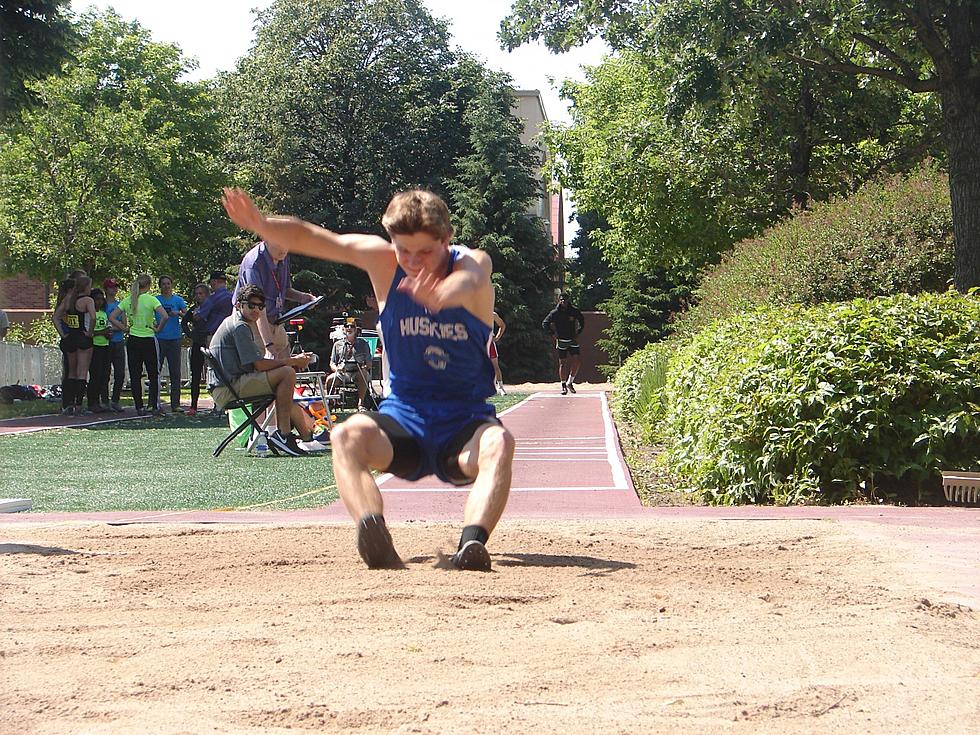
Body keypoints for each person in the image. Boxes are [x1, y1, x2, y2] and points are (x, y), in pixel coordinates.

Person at [222, 187, 515, 572]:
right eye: (403, 250)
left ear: (447, 239)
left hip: (464, 425)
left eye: (425, 252)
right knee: (346, 436)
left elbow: (475, 276)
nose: (412, 262)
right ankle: (373, 531)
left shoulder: (471, 263)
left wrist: (445, 293)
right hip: (404, 422)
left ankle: (472, 545)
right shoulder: (384, 263)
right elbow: (315, 237)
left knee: (500, 441)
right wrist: (261, 225)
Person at [208, 284, 322, 456]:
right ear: (239, 305)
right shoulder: (240, 327)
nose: (256, 310)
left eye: (260, 307)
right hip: (227, 390)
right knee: (287, 373)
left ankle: (301, 435)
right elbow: (259, 365)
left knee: (284, 379)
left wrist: (290, 361)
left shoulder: (237, 322)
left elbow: (257, 364)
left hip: (229, 385)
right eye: (251, 305)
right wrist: (294, 361)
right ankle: (284, 435)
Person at [234, 237, 315, 360]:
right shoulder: (254, 264)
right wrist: (269, 346)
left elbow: (285, 290)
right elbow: (256, 308)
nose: (284, 249)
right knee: (266, 369)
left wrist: (303, 297)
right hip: (253, 321)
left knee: (286, 369)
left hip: (275, 320)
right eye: (280, 244)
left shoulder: (283, 257)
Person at [108, 274, 169, 416]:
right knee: (153, 373)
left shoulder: (128, 300)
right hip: (148, 337)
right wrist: (158, 328)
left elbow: (111, 317)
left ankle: (139, 406)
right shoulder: (151, 299)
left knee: (135, 374)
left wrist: (124, 328)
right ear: (148, 285)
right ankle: (153, 405)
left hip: (133, 339)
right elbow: (165, 316)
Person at [52, 275, 96, 415]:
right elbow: (93, 317)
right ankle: (78, 405)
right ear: (86, 287)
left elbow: (55, 317)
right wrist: (90, 332)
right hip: (82, 338)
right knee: (82, 372)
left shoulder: (69, 299)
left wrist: (63, 334)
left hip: (70, 337)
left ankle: (68, 404)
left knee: (71, 372)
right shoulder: (87, 300)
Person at [542, 292, 586, 396]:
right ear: (559, 300)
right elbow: (545, 323)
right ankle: (563, 385)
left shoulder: (573, 311)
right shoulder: (555, 312)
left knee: (577, 361)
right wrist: (553, 334)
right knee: (562, 363)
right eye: (561, 300)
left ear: (568, 300)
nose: (563, 302)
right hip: (561, 340)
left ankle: (570, 382)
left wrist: (579, 332)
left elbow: (582, 320)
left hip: (572, 339)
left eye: (565, 300)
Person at [155, 275, 188, 413]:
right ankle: (155, 402)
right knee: (156, 371)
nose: (166, 286)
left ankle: (176, 403)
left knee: (175, 372)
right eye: (163, 284)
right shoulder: (156, 300)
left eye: (168, 283)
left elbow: (187, 315)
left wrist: (179, 313)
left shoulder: (178, 300)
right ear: (160, 286)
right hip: (160, 337)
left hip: (174, 338)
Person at [325, 319, 373, 410]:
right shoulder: (337, 344)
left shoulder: (363, 344)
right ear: (343, 329)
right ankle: (330, 403)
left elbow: (369, 362)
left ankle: (361, 404)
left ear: (356, 329)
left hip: (358, 372)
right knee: (329, 379)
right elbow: (332, 363)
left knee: (363, 375)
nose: (349, 328)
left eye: (352, 326)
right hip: (342, 373)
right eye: (347, 326)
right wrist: (337, 369)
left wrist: (365, 367)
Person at [182, 282, 211, 416]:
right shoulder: (193, 309)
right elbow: (184, 322)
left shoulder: (211, 308)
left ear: (207, 295)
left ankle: (218, 405)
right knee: (196, 376)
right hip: (197, 344)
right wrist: (190, 334)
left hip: (211, 343)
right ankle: (193, 405)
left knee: (215, 374)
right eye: (197, 294)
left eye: (201, 294)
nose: (199, 296)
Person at [102, 279, 127, 412]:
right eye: (111, 287)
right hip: (105, 342)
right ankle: (105, 401)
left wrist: (113, 328)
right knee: (105, 372)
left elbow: (124, 325)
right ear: (106, 289)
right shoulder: (102, 306)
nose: (114, 289)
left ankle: (115, 400)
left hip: (118, 341)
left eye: (116, 287)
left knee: (120, 373)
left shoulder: (120, 306)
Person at [86, 288, 112, 412]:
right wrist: (102, 332)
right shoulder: (90, 314)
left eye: (102, 299)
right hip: (94, 347)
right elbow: (89, 332)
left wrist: (108, 334)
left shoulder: (103, 313)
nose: (100, 302)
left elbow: (107, 328)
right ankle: (92, 402)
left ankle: (104, 401)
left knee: (105, 375)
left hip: (105, 346)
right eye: (97, 299)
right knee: (95, 375)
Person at [196, 271, 233, 344]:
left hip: (214, 336)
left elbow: (198, 317)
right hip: (230, 335)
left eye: (210, 282)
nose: (210, 285)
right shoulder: (233, 297)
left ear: (214, 281)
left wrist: (196, 312)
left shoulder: (212, 299)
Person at [490, 311, 506, 396]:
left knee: (495, 366)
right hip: (478, 342)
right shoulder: (475, 312)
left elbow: (502, 325)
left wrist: (497, 337)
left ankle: (500, 387)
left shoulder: (492, 314)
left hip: (490, 342)